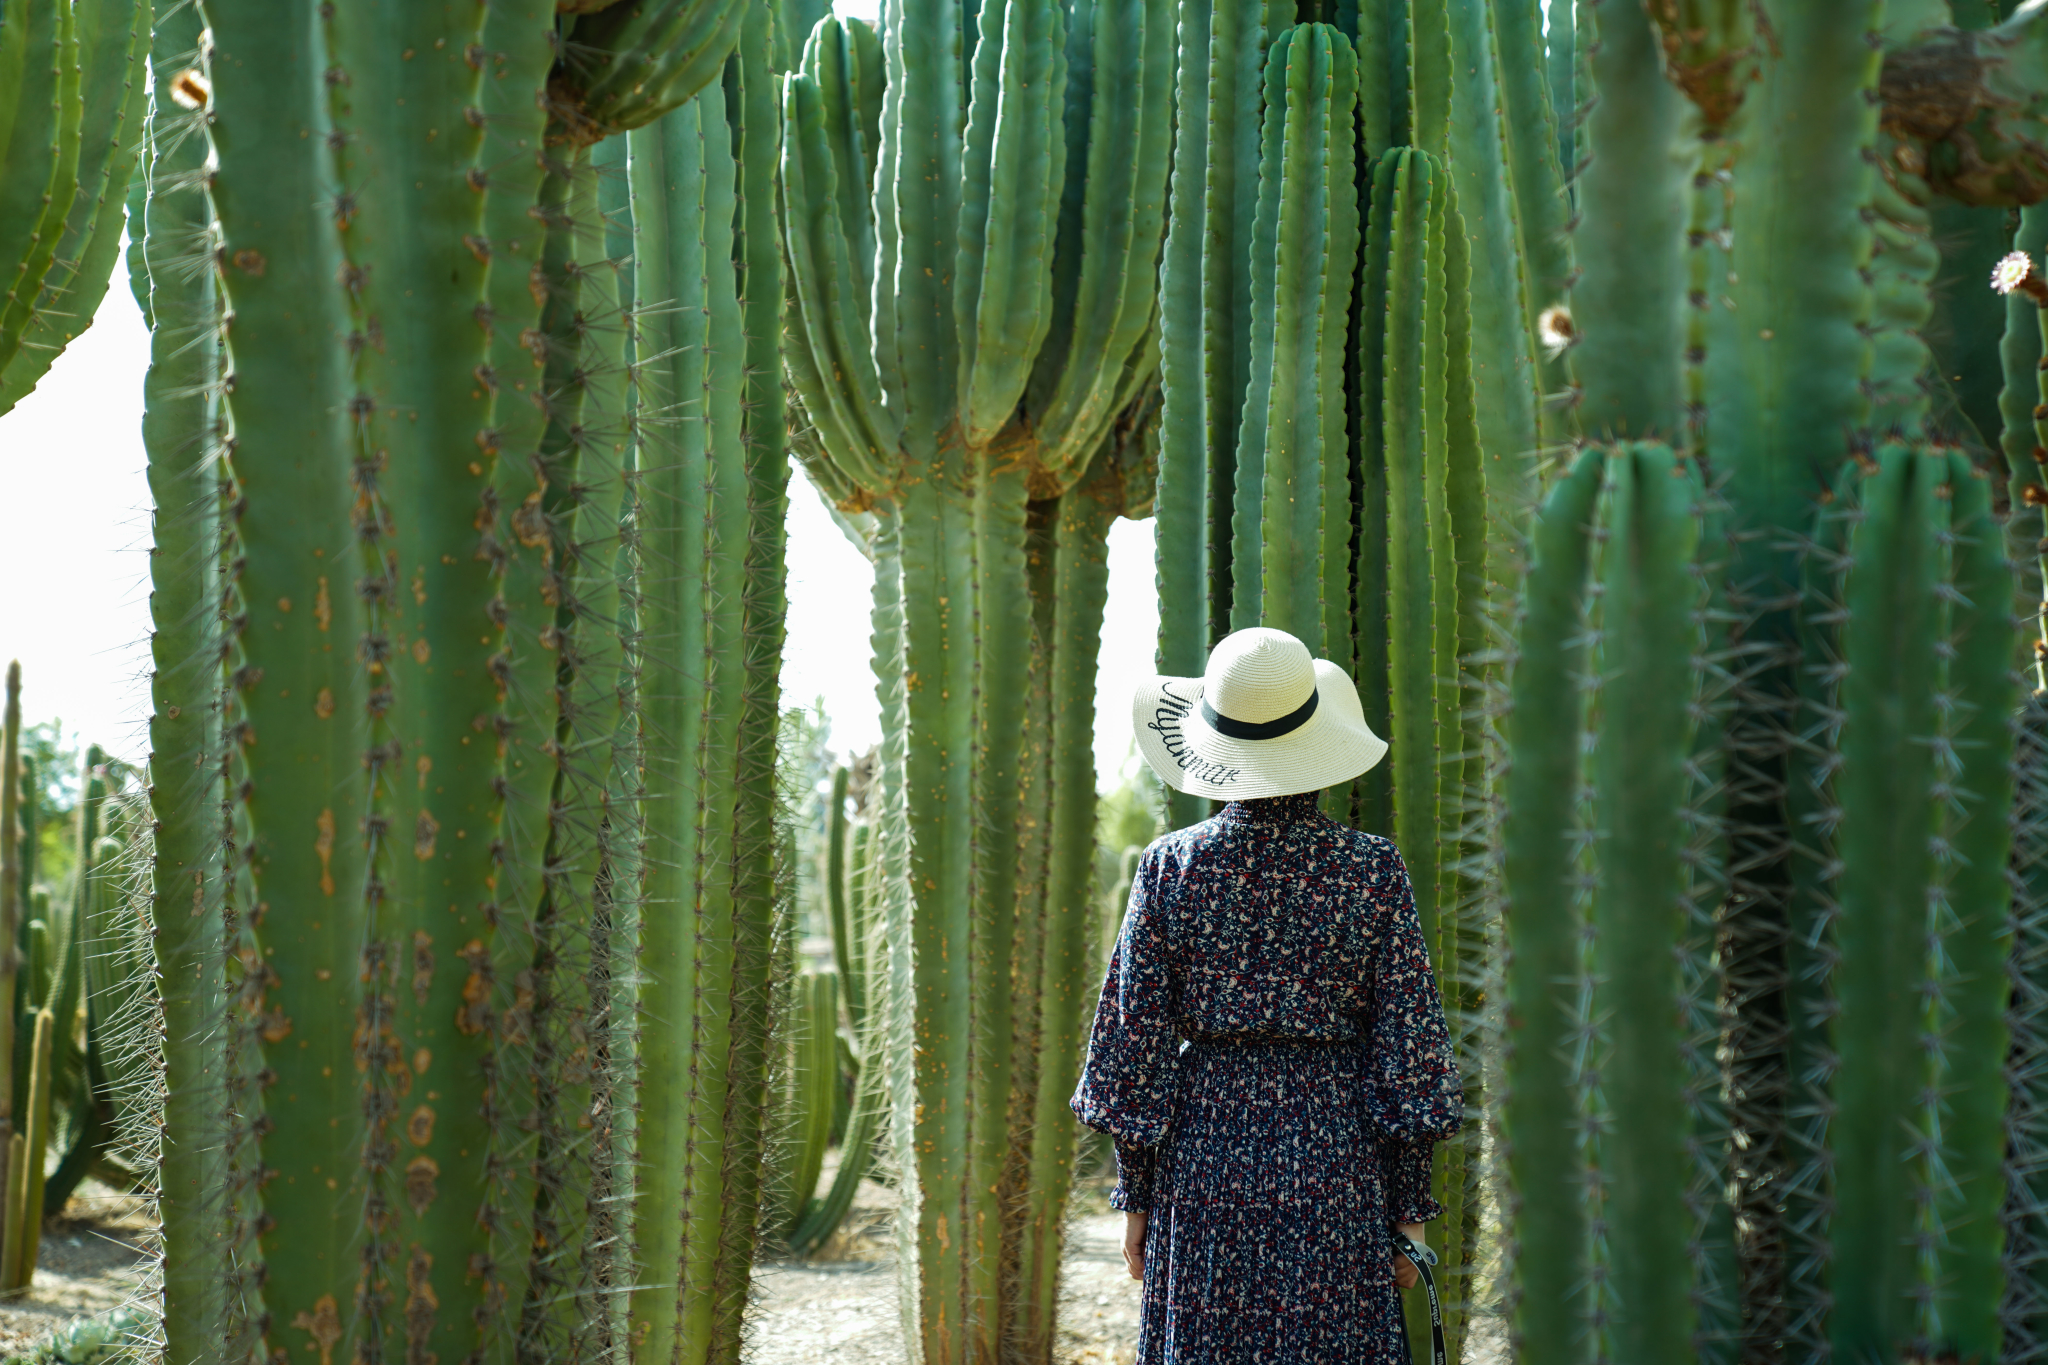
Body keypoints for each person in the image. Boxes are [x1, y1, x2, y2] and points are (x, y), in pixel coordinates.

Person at [1071, 626, 1463, 1364]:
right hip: (1336, 1162)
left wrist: (1138, 1196)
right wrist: (1410, 1212)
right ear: (1317, 746)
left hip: (1204, 1162)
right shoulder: (1372, 869)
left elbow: (1134, 1047)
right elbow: (1408, 1049)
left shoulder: (1169, 867)